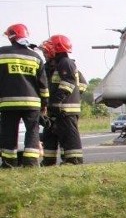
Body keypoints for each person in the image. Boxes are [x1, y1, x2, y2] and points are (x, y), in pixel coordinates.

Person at [0, 23, 49, 167]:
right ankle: (31, 162)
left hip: (8, 103)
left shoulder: (2, 53)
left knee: (9, 132)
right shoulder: (35, 57)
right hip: (32, 103)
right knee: (32, 131)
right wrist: (44, 104)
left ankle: (9, 163)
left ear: (11, 37)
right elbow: (43, 85)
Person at [42, 34, 87, 165]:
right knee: (50, 135)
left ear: (56, 48)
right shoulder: (51, 66)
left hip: (66, 109)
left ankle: (74, 160)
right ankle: (48, 161)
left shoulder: (66, 63)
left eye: (47, 49)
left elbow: (71, 83)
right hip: (54, 108)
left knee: (69, 136)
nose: (45, 52)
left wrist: (62, 99)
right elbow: (82, 85)